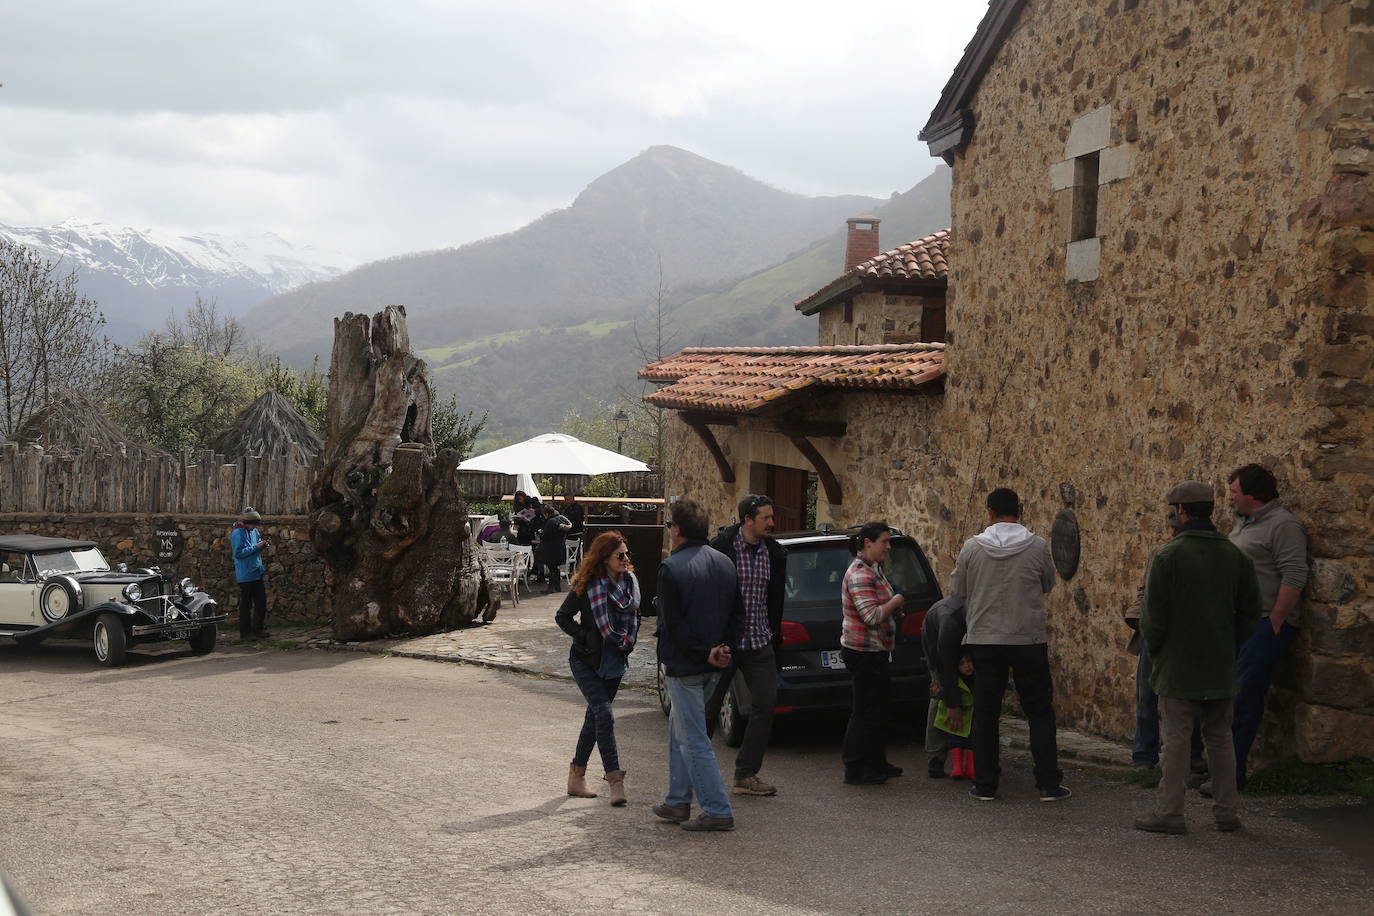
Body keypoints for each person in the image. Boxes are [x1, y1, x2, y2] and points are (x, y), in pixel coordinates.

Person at [1135, 481, 1259, 835]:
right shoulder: (1235, 555)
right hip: (1219, 661)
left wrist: (1159, 651)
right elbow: (1251, 612)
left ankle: (1171, 811)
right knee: (1220, 738)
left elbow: (1152, 619)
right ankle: (1226, 812)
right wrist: (1228, 642)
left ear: (1181, 512)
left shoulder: (1168, 556)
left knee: (1175, 739)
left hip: (1178, 663)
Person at [949, 487, 1069, 802]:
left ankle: (986, 784)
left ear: (989, 512)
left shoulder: (972, 548)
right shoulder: (1037, 546)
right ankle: (1048, 783)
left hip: (985, 638)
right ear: (1019, 511)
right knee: (1040, 710)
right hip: (1026, 637)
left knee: (986, 712)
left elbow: (957, 590)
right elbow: (1048, 583)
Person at [653, 499, 742, 832]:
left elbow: (673, 625)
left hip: (686, 665)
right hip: (716, 662)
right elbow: (738, 616)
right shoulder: (725, 563)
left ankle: (717, 809)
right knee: (681, 731)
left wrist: (705, 651)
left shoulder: (671, 568)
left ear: (676, 531)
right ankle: (677, 801)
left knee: (692, 738)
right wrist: (723, 649)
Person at [1222, 463, 1309, 792]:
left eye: (1234, 492)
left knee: (1244, 697)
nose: (1230, 497)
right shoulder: (1244, 523)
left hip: (1263, 624)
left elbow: (1295, 575)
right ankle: (1222, 768)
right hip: (1240, 622)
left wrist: (1275, 621)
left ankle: (1232, 774)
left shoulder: (1283, 525)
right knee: (1228, 695)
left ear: (1253, 495)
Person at [705, 494, 788, 797]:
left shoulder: (775, 554)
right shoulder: (721, 549)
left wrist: (773, 633)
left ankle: (745, 774)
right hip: (725, 643)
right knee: (708, 709)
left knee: (766, 704)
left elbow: (775, 599)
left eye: (771, 517)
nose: (772, 523)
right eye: (766, 518)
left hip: (759, 641)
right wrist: (712, 638)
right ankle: (695, 774)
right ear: (748, 520)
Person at [554, 531, 641, 806]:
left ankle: (575, 777)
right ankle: (615, 781)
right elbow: (563, 617)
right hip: (586, 660)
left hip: (615, 661)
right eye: (620, 555)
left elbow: (635, 621)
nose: (626, 559)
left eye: (627, 554)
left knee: (595, 719)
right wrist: (586, 637)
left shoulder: (630, 586)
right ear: (604, 558)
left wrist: (627, 642)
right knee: (604, 714)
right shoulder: (588, 585)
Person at [839, 521, 906, 785]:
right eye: (884, 542)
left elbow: (880, 605)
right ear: (868, 543)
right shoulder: (860, 575)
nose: (888, 547)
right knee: (865, 710)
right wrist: (896, 602)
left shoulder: (874, 569)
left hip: (876, 650)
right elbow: (871, 615)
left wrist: (893, 607)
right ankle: (855, 769)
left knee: (878, 709)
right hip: (862, 652)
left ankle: (877, 762)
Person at [1124, 508, 1185, 770]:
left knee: (1179, 698)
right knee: (1146, 695)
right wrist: (1138, 618)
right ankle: (1144, 755)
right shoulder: (1159, 554)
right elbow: (1144, 590)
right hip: (1154, 631)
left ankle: (1183, 757)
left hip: (1179, 633)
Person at [920, 595, 967, 778]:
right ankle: (936, 757)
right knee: (940, 696)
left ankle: (980, 755)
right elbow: (946, 667)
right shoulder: (949, 623)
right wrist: (953, 704)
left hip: (964, 640)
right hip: (936, 643)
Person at [229, 506, 272, 641]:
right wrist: (256, 547)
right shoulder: (237, 533)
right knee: (246, 605)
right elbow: (238, 553)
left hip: (256, 571)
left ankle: (258, 629)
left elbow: (255, 546)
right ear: (246, 523)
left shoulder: (254, 532)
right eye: (252, 524)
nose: (254, 527)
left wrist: (262, 545)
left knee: (261, 602)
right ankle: (245, 633)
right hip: (245, 574)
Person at [935, 655, 977, 780]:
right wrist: (938, 693)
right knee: (955, 740)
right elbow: (945, 693)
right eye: (962, 663)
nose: (967, 666)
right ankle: (957, 767)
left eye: (969, 661)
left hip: (972, 716)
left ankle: (971, 768)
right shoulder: (954, 681)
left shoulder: (977, 679)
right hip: (958, 717)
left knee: (973, 742)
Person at [536, 503, 572, 593]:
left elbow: (544, 535)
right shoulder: (560, 519)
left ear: (546, 514)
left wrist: (540, 533)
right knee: (555, 568)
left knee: (552, 567)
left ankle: (551, 588)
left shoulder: (551, 521)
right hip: (559, 547)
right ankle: (557, 587)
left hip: (550, 548)